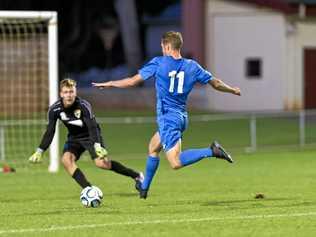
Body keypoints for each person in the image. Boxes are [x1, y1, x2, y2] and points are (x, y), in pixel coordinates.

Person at [92, 31, 241, 199]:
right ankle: (144, 187)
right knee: (153, 147)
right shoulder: (192, 66)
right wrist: (232, 90)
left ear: (168, 46)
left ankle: (211, 151)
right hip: (181, 117)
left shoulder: (159, 63)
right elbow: (216, 83)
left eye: (163, 47)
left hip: (168, 119)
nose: (162, 50)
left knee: (175, 162)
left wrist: (111, 83)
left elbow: (133, 81)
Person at [29, 78, 143, 191]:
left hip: (90, 136)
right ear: (61, 94)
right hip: (74, 138)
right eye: (66, 92)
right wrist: (40, 151)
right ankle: (88, 189)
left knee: (101, 163)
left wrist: (97, 145)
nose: (69, 95)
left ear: (75, 92)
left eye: (71, 92)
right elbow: (50, 131)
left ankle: (136, 176)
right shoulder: (54, 109)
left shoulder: (83, 105)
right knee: (66, 160)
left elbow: (92, 127)